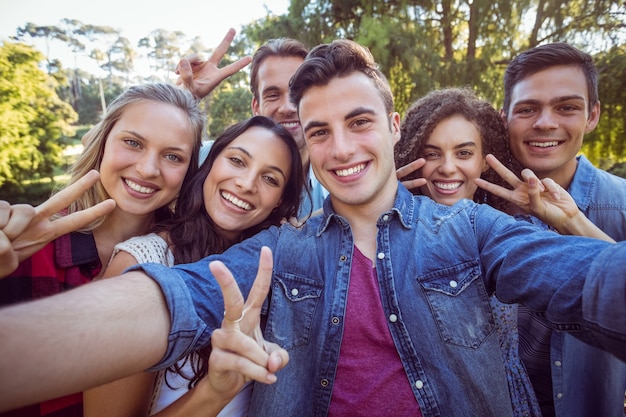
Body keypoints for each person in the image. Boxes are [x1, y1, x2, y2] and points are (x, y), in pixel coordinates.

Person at [1, 39, 626, 417]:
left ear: (391, 121)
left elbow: (586, 279)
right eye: (319, 130)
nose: (342, 147)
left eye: (358, 122)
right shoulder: (279, 251)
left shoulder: (471, 229)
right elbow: (169, 300)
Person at [0, 82, 204, 417]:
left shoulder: (187, 259)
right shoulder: (24, 247)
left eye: (172, 156)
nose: (148, 169)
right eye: (132, 142)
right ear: (102, 142)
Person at [84, 115, 304, 417]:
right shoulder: (144, 261)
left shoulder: (279, 272)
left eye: (270, 179)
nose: (246, 183)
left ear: (280, 201)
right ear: (210, 164)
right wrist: (213, 393)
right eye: (237, 161)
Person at [500, 42, 626, 417]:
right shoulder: (476, 206)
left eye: (566, 107)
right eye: (527, 109)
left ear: (592, 115)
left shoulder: (620, 207)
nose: (545, 122)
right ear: (504, 116)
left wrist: (574, 225)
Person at [178, 37, 329, 219]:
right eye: (273, 95)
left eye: (298, 94)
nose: (288, 107)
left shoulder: (333, 185)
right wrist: (184, 98)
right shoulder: (212, 158)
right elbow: (153, 154)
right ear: (256, 107)